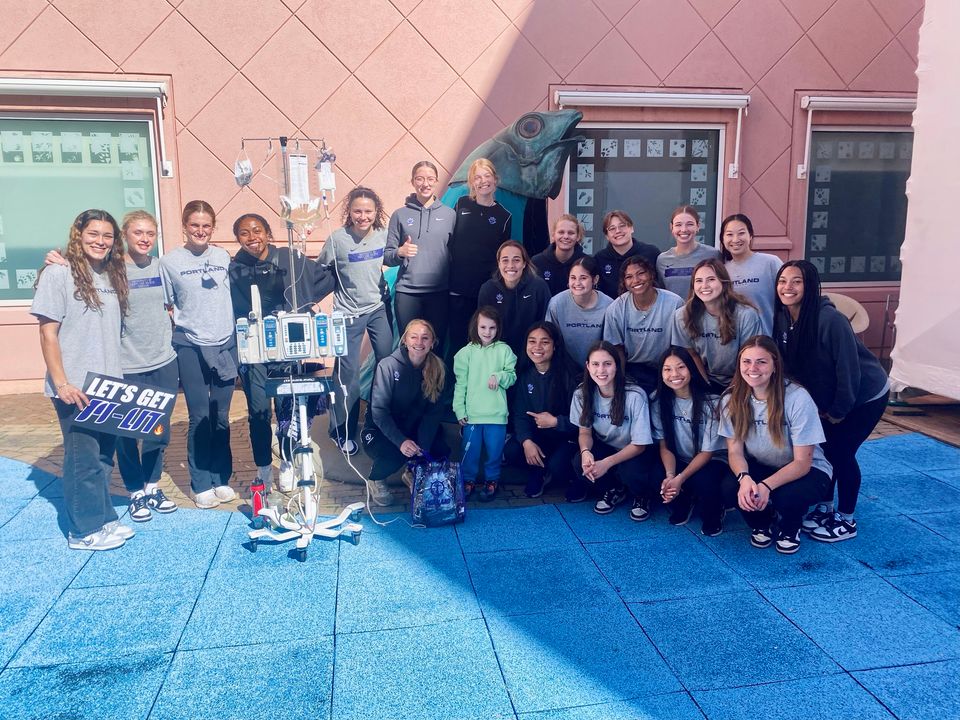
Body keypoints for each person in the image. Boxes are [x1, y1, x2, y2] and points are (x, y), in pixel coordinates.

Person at [45, 211, 180, 522]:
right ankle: (135, 491)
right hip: (125, 365)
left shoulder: (163, 267)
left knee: (158, 430)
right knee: (127, 434)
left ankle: (153, 485)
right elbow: (78, 273)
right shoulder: (111, 268)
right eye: (138, 233)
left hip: (163, 360)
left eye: (150, 233)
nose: (145, 239)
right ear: (126, 237)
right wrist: (57, 260)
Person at [31, 209, 133, 550]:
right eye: (93, 234)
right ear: (78, 234)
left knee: (103, 458)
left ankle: (102, 518)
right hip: (75, 387)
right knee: (82, 459)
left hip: (108, 384)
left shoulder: (109, 273)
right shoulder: (58, 274)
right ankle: (82, 531)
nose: (100, 241)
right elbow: (48, 334)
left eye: (107, 236)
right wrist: (62, 384)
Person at [774, 260, 890, 542]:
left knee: (840, 453)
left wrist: (839, 410)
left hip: (863, 396)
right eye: (782, 281)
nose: (787, 287)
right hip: (825, 400)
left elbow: (848, 370)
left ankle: (846, 519)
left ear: (810, 285)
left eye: (796, 281)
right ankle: (824, 508)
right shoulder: (783, 317)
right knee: (823, 451)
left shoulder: (830, 320)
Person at [229, 212, 334, 490]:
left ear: (268, 233)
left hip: (286, 345)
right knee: (258, 411)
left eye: (257, 230)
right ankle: (264, 468)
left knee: (287, 408)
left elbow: (325, 278)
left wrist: (305, 306)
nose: (252, 238)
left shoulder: (290, 258)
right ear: (237, 238)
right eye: (244, 233)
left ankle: (287, 461)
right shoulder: (234, 268)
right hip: (254, 350)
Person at [719, 336, 833, 555]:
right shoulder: (730, 399)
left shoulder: (797, 398)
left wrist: (766, 486)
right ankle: (762, 522)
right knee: (730, 488)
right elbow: (734, 451)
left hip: (807, 470)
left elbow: (802, 463)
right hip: (762, 464)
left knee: (786, 496)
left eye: (761, 361)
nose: (753, 368)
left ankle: (790, 526)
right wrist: (746, 480)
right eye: (746, 361)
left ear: (774, 366)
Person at [160, 200, 238, 509]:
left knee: (220, 414)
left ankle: (221, 478)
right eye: (195, 225)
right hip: (190, 344)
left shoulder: (223, 256)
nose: (200, 231)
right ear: (184, 227)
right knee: (200, 415)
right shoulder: (169, 262)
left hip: (225, 343)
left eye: (206, 226)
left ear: (213, 228)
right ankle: (200, 482)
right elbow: (163, 303)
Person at [319, 186, 394, 455]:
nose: (363, 216)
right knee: (347, 375)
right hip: (347, 313)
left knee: (387, 364)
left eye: (368, 211)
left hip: (377, 309)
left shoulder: (384, 236)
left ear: (377, 212)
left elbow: (395, 258)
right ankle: (340, 430)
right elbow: (321, 273)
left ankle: (377, 425)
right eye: (358, 211)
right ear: (349, 212)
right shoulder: (337, 239)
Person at [361, 319, 450, 507]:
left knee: (439, 449)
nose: (419, 342)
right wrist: (401, 442)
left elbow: (433, 413)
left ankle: (412, 472)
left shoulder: (438, 369)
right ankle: (376, 479)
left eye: (425, 338)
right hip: (380, 429)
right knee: (393, 454)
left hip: (413, 426)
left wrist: (422, 447)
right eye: (414, 337)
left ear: (432, 343)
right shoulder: (387, 366)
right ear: (405, 341)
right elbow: (379, 411)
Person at [570, 341, 658, 519]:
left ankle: (642, 496)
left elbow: (640, 445)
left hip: (635, 451)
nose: (601, 370)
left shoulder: (635, 395)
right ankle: (614, 489)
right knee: (580, 462)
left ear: (617, 366)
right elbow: (584, 433)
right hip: (608, 446)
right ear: (587, 366)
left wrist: (607, 463)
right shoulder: (581, 393)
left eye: (607, 364)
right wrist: (586, 451)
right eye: (595, 364)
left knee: (631, 472)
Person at [653, 347, 729, 536]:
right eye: (667, 369)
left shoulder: (712, 402)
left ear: (691, 369)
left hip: (712, 460)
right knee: (656, 475)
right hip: (680, 457)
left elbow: (707, 452)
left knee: (703, 480)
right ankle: (685, 500)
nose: (674, 374)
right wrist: (671, 476)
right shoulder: (658, 401)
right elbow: (665, 446)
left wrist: (680, 478)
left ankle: (716, 510)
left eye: (681, 367)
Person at [504, 322, 578, 498]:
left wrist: (556, 422)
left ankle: (570, 478)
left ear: (555, 345)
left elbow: (584, 421)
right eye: (532, 341)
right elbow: (520, 415)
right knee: (513, 450)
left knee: (559, 465)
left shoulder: (570, 376)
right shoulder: (525, 375)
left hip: (566, 438)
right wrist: (526, 441)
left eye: (544, 342)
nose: (537, 347)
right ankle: (539, 472)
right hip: (539, 437)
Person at [446, 159, 512, 356]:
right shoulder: (461, 204)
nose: (483, 181)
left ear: (495, 180)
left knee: (484, 344)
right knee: (457, 344)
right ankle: (457, 386)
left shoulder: (504, 216)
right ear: (472, 183)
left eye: (487, 176)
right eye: (477, 177)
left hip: (486, 293)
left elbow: (502, 257)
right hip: (457, 290)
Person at [384, 161, 455, 340]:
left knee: (435, 346)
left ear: (437, 181)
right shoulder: (400, 215)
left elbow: (456, 253)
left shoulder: (450, 214)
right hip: (408, 292)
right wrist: (400, 252)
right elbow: (387, 256)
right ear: (413, 181)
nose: (425, 184)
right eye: (420, 179)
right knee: (409, 346)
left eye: (430, 179)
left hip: (439, 292)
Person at [453, 306, 517, 501]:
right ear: (475, 326)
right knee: (470, 452)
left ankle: (492, 481)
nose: (487, 332)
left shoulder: (504, 350)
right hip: (473, 415)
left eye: (492, 328)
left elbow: (512, 376)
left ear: (498, 329)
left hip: (496, 415)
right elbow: (460, 384)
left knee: (494, 452)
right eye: (483, 327)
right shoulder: (465, 353)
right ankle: (468, 480)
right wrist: (459, 409)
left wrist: (499, 376)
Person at [672, 258, 763, 391]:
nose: (704, 286)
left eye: (711, 279)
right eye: (698, 281)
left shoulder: (746, 315)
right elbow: (691, 354)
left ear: (723, 282)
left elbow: (749, 358)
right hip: (703, 378)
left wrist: (730, 392)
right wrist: (707, 387)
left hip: (744, 378)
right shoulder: (682, 315)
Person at [603, 257, 683, 394]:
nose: (636, 280)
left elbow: (680, 348)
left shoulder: (674, 303)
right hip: (632, 371)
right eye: (629, 277)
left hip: (666, 368)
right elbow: (617, 350)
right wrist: (620, 383)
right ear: (624, 282)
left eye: (641, 273)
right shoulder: (616, 308)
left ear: (651, 274)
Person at [477, 241, 551, 360]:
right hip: (498, 354)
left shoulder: (538, 287)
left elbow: (546, 324)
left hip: (531, 354)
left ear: (524, 263)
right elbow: (483, 327)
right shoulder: (488, 289)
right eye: (505, 260)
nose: (510, 265)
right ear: (499, 263)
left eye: (516, 260)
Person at [545, 256, 613, 368]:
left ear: (595, 279)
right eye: (573, 277)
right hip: (564, 368)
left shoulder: (609, 305)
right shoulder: (556, 303)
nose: (577, 283)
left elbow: (611, 346)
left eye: (583, 278)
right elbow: (551, 339)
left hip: (598, 368)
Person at [720, 213, 782, 334]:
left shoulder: (770, 263)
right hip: (735, 344)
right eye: (729, 235)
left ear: (751, 235)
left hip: (768, 339)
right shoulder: (722, 271)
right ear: (722, 239)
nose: (735, 239)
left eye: (741, 233)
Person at [657, 205, 721, 298]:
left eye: (690, 224)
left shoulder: (713, 255)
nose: (683, 229)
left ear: (698, 226)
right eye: (678, 225)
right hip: (674, 312)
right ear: (671, 227)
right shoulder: (662, 260)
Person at [594, 210, 660, 299]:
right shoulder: (600, 259)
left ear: (631, 228)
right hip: (613, 311)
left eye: (622, 226)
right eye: (612, 228)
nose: (618, 231)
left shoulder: (651, 253)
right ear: (607, 236)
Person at [531, 214, 586, 297]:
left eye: (571, 233)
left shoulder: (586, 263)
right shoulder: (537, 262)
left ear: (578, 236)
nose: (566, 236)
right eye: (561, 232)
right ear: (553, 235)